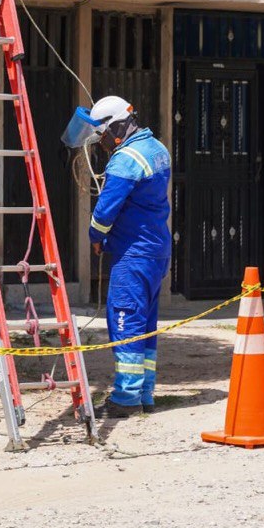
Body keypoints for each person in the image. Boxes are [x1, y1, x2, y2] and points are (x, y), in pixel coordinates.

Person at [85, 95, 172, 418]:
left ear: (118, 127)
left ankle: (126, 398)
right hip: (155, 251)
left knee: (125, 322)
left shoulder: (125, 159)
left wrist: (95, 236)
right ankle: (144, 392)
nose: (102, 142)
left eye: (103, 134)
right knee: (145, 324)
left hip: (132, 255)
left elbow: (105, 211)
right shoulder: (157, 149)